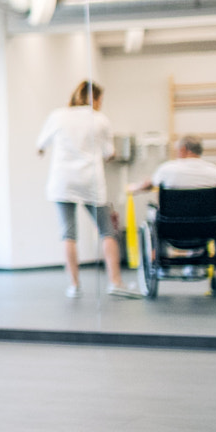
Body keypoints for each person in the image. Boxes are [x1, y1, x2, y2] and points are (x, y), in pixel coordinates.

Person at [36, 79, 142, 299]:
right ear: (95, 98)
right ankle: (115, 282)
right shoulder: (100, 119)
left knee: (68, 234)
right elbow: (108, 152)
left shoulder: (58, 115)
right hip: (89, 181)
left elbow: (40, 146)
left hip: (63, 181)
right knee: (107, 231)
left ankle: (74, 285)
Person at [127, 136, 216, 193]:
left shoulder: (167, 169)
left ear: (183, 149)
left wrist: (134, 187)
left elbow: (148, 185)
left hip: (174, 225)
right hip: (207, 225)